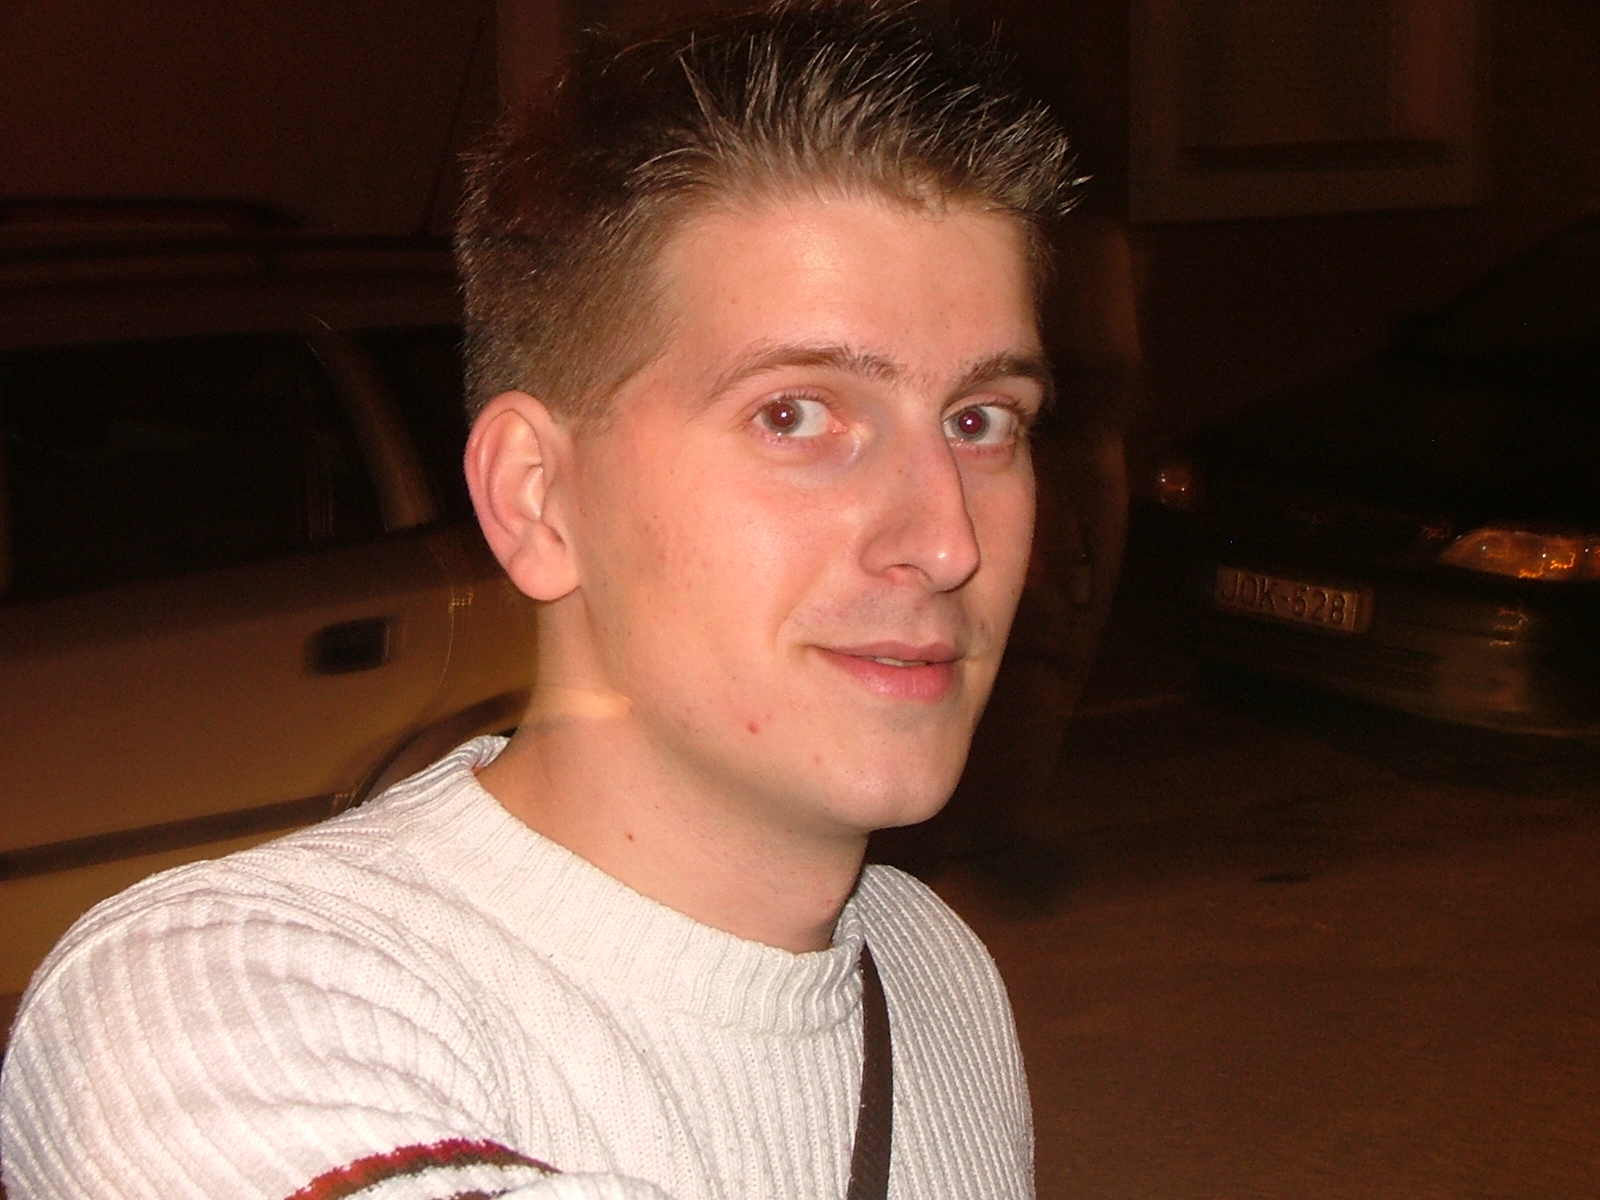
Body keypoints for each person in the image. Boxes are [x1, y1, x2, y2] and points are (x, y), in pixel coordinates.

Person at [0, 3, 1080, 1196]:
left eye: (981, 421)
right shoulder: (209, 1009)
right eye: (795, 414)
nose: (946, 542)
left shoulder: (934, 972)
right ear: (537, 497)